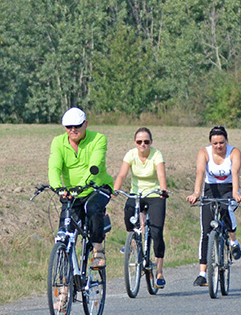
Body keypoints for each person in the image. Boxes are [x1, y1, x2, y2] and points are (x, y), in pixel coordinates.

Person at [48, 107, 114, 270]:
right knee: (64, 233)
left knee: (92, 208)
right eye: (68, 127)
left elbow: (95, 165)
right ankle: (63, 283)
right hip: (72, 194)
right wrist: (58, 187)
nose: (72, 130)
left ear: (86, 124)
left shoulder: (98, 139)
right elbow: (54, 167)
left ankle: (98, 250)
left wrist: (83, 184)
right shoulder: (58, 142)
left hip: (97, 188)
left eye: (77, 126)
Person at [186, 126, 241, 287]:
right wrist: (196, 193)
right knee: (206, 231)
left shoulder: (234, 152)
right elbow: (200, 173)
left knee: (226, 209)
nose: (218, 146)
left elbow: (235, 173)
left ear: (226, 141)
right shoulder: (203, 153)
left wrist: (235, 193)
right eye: (215, 143)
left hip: (229, 189)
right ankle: (202, 273)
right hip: (210, 190)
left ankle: (233, 241)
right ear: (210, 143)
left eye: (221, 143)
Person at [113, 127, 169, 288]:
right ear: (135, 143)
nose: (142, 144)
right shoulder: (131, 154)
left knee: (157, 232)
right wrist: (116, 189)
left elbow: (161, 175)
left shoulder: (156, 155)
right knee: (128, 215)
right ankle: (134, 245)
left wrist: (163, 190)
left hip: (155, 195)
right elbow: (122, 174)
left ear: (151, 142)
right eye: (139, 142)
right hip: (136, 194)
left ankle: (159, 272)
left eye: (146, 141)